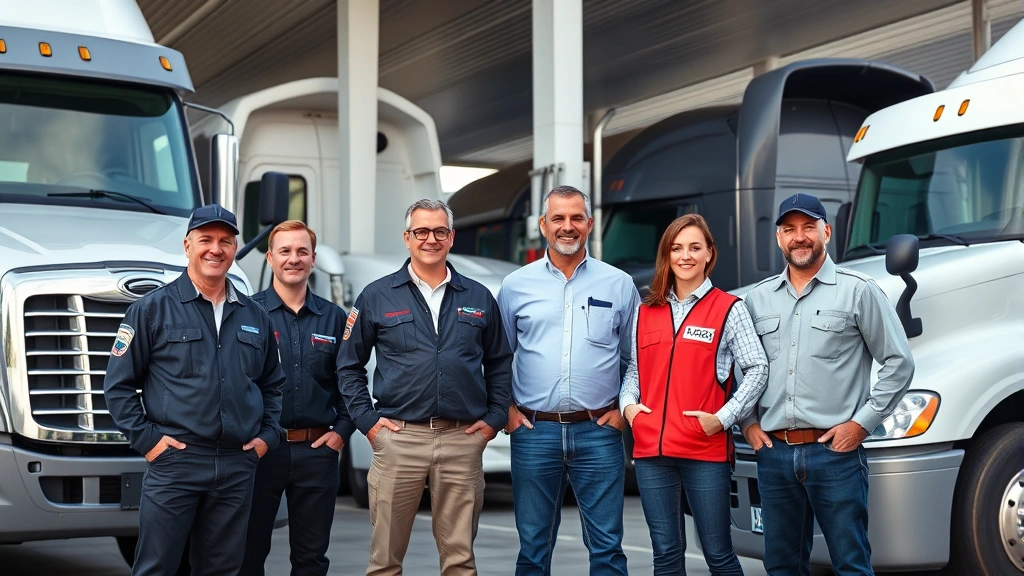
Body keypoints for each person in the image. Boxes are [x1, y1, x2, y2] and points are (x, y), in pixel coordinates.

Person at [103, 204, 286, 576]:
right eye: (206, 240)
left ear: (235, 249)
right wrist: (149, 442)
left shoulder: (255, 316)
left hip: (237, 464)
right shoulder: (152, 310)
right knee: (157, 567)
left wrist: (267, 437)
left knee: (222, 569)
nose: (215, 249)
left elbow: (272, 385)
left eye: (225, 241)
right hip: (176, 463)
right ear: (188, 245)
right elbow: (118, 386)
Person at [740, 193, 915, 576]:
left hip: (835, 454)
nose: (799, 237)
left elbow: (899, 362)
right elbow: (744, 369)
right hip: (774, 455)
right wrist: (748, 424)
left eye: (808, 227)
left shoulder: (859, 290)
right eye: (789, 229)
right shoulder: (757, 299)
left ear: (827, 232)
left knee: (851, 564)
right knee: (782, 566)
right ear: (778, 238)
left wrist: (861, 424)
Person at [338, 199, 513, 576]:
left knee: (460, 562)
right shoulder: (376, 295)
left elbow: (500, 362)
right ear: (407, 237)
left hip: (462, 440)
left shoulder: (478, 297)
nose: (430, 239)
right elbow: (348, 365)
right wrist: (368, 422)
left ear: (451, 238)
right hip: (399, 439)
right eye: (421, 231)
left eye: (439, 231)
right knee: (384, 561)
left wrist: (494, 419)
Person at [497, 185, 641, 576]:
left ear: (590, 224)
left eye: (577, 218)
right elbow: (496, 359)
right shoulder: (514, 286)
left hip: (598, 430)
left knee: (608, 549)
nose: (568, 226)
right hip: (533, 431)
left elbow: (638, 359)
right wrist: (507, 410)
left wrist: (623, 412)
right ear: (543, 225)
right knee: (533, 550)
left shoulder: (619, 284)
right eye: (558, 218)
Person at [620, 214, 768, 575]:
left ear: (708, 255)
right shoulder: (645, 311)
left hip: (705, 450)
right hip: (653, 452)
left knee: (718, 553)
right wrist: (628, 408)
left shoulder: (729, 309)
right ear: (667, 255)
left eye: (694, 248)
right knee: (666, 555)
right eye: (677, 248)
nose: (685, 255)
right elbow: (635, 370)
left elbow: (758, 368)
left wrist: (723, 418)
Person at [241, 221, 355, 576]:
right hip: (261, 452)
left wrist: (341, 432)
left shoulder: (335, 318)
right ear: (271, 257)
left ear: (314, 259)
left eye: (302, 251)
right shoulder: (245, 313)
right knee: (247, 554)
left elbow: (350, 381)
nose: (294, 259)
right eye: (286, 251)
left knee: (311, 560)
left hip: (317, 452)